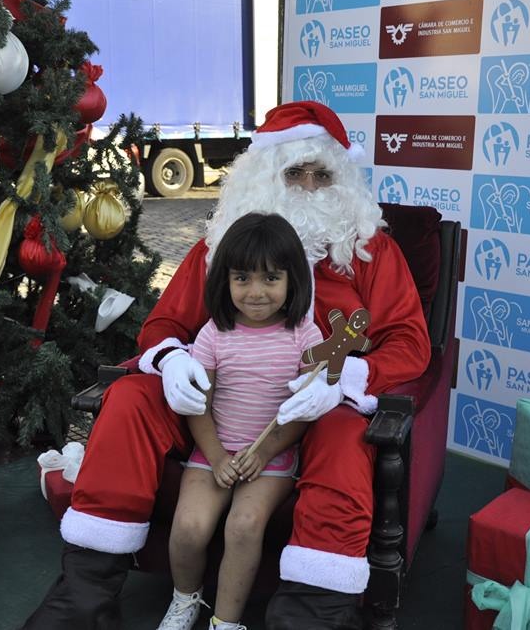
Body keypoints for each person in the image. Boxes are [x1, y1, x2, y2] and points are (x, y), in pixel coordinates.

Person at [23, 100, 430, 630]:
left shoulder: (368, 250)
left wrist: (346, 380)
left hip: (317, 410)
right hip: (222, 405)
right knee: (128, 399)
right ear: (264, 175)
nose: (308, 186)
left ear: (343, 179)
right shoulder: (222, 247)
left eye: (321, 173)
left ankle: (314, 613)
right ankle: (85, 595)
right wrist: (172, 363)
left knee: (343, 435)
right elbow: (164, 326)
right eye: (293, 171)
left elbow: (408, 341)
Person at [158, 213, 324, 630]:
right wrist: (216, 457)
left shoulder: (305, 334)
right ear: (225, 281)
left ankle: (226, 622)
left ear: (292, 281)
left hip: (273, 458)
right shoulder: (214, 334)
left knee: (244, 525)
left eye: (271, 278)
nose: (256, 292)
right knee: (189, 527)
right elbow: (199, 404)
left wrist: (266, 450)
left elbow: (304, 410)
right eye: (242, 278)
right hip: (215, 451)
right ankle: (184, 600)